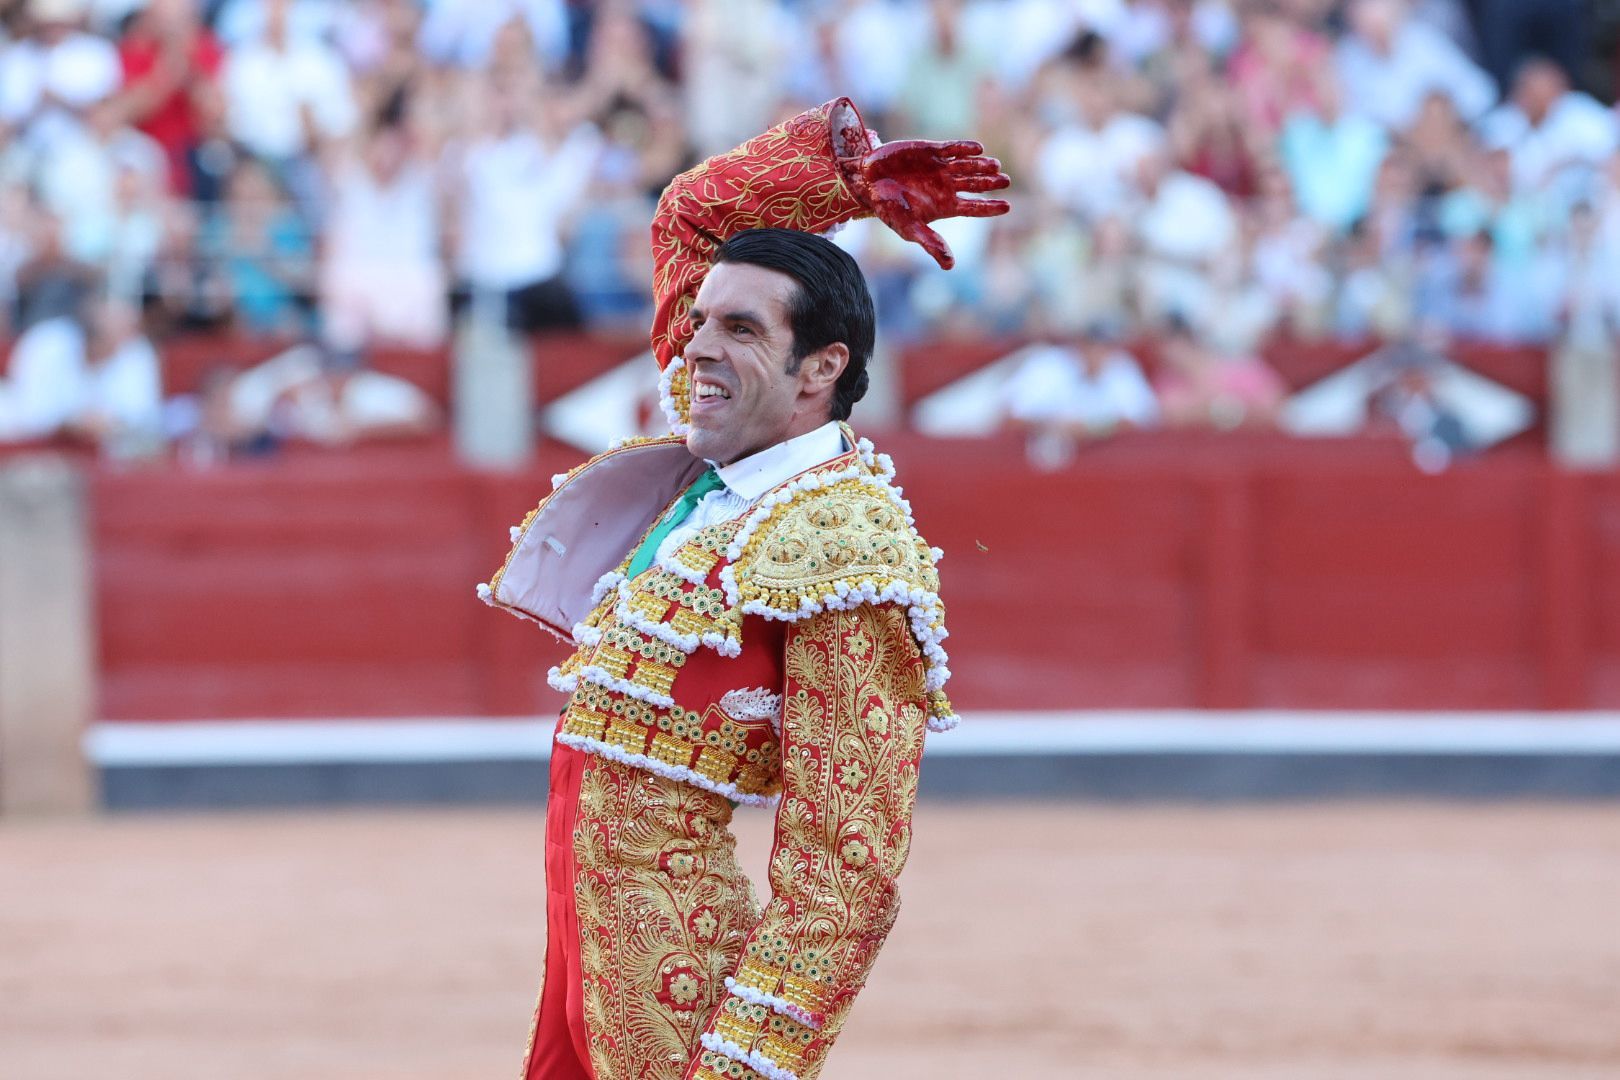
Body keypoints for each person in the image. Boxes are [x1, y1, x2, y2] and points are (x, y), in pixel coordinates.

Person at [478, 97, 1008, 1080]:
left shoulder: (845, 550)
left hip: (686, 1005)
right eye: (702, 319)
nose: (694, 349)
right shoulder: (729, 455)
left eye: (737, 329)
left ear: (822, 370)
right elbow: (691, 217)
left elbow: (842, 880)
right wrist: (836, 182)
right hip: (591, 974)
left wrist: (744, 1067)